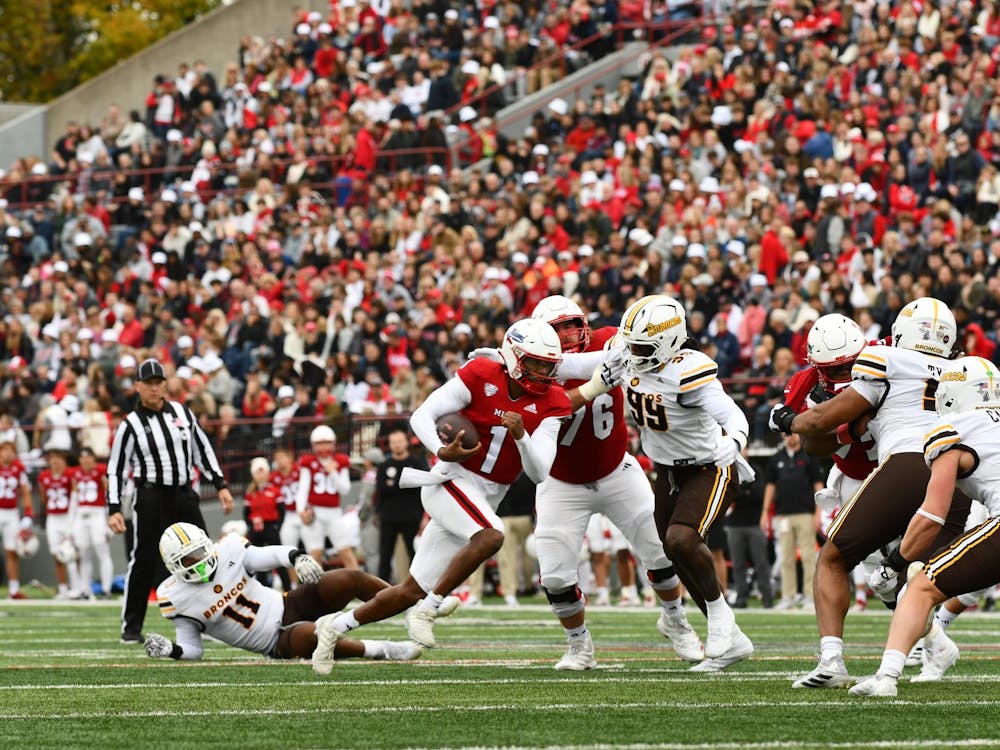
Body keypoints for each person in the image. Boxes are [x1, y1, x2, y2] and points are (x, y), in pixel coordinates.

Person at [309, 318, 610, 673]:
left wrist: (521, 437)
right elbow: (422, 415)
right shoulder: (482, 373)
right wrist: (440, 448)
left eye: (549, 364)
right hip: (450, 479)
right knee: (491, 535)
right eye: (535, 363)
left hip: (487, 494)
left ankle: (334, 628)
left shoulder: (554, 400)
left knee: (408, 590)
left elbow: (539, 470)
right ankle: (431, 607)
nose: (544, 371)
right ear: (514, 357)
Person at [769, 298, 973, 688]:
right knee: (909, 576)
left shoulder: (885, 359)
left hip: (906, 465)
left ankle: (836, 662)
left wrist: (790, 420)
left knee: (833, 558)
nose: (842, 373)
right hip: (957, 477)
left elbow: (819, 421)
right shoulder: (958, 369)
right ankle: (929, 645)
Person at [528, 295, 703, 670]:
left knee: (660, 550)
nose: (566, 335)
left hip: (616, 469)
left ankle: (675, 619)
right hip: (561, 481)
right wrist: (594, 384)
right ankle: (579, 645)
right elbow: (553, 406)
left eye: (570, 325)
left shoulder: (610, 339)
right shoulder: (534, 368)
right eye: (555, 330)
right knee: (556, 575)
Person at [617, 294, 756, 670]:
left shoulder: (687, 370)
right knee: (673, 550)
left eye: (641, 345)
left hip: (710, 467)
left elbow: (734, 415)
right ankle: (734, 641)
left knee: (682, 538)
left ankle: (720, 618)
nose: (632, 352)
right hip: (668, 471)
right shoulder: (628, 357)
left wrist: (736, 441)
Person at [850, 357, 1000, 696]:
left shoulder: (955, 430)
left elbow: (933, 513)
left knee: (918, 588)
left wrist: (896, 563)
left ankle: (886, 678)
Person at [143, 522, 421, 664]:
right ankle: (382, 650)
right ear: (173, 566)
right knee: (313, 635)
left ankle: (411, 605)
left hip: (289, 604)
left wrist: (296, 557)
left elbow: (267, 555)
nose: (198, 561)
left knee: (347, 578)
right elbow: (194, 650)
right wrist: (173, 650)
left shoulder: (228, 550)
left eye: (199, 552)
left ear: (208, 543)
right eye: (188, 559)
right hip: (278, 642)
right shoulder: (175, 597)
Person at [106, 358, 235, 643]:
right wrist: (114, 508)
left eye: (158, 382)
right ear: (137, 386)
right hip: (151, 495)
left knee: (204, 554)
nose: (154, 388)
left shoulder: (182, 412)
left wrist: (221, 484)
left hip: (183, 494)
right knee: (144, 558)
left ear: (165, 385)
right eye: (148, 383)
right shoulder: (130, 424)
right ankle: (131, 627)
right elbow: (115, 467)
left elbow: (202, 450)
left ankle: (212, 621)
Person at [761, 432, 824, 610]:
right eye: (786, 434)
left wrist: (819, 513)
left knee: (808, 556)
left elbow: (818, 486)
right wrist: (765, 512)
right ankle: (788, 596)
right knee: (786, 557)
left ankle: (810, 597)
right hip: (783, 515)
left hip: (805, 513)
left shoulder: (808, 457)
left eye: (793, 433)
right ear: (782, 436)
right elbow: (770, 486)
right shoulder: (776, 459)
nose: (790, 437)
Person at [295, 425, 358, 569]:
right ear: (313, 445)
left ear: (333, 443)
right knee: (315, 555)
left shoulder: (340, 461)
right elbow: (303, 489)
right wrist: (300, 511)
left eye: (326, 443)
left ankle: (361, 588)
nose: (323, 447)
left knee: (346, 552)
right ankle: (316, 591)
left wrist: (333, 473)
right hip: (315, 512)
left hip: (334, 512)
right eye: (319, 443)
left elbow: (345, 489)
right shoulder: (308, 462)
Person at [373, 429, 427, 584]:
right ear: (389, 445)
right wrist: (378, 512)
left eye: (400, 441)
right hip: (388, 517)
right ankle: (379, 590)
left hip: (412, 516)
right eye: (393, 442)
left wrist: (424, 516)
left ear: (406, 442)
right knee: (385, 555)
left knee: (415, 554)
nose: (397, 445)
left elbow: (420, 489)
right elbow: (381, 490)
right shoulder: (384, 466)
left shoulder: (416, 463)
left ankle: (418, 590)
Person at [725, 450, 774, 609]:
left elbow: (758, 494)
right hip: (734, 524)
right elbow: (727, 494)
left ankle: (767, 597)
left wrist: (739, 493)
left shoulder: (756, 469)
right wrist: (744, 492)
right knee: (738, 564)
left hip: (754, 523)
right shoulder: (728, 469)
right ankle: (741, 597)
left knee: (761, 562)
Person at [38, 448, 83, 599]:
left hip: (68, 517)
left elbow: (76, 494)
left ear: (64, 460)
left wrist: (73, 518)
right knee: (57, 553)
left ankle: (77, 587)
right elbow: (44, 498)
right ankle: (63, 589)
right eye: (52, 458)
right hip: (53, 518)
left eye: (58, 458)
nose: (55, 461)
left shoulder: (71, 474)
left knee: (71, 553)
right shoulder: (44, 476)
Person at [73, 447, 113, 598]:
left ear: (94, 459)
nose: (85, 461)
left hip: (98, 515)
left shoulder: (101, 471)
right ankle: (85, 589)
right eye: (82, 458)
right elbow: (74, 497)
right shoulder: (76, 473)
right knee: (83, 553)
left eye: (88, 457)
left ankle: (106, 588)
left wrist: (108, 519)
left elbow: (108, 494)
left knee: (102, 550)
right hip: (81, 515)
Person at [244, 456, 289, 591]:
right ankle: (262, 589)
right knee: (258, 560)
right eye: (258, 472)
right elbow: (246, 513)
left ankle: (288, 588)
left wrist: (276, 526)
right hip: (256, 530)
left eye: (263, 471)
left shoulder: (274, 491)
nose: (261, 475)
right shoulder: (250, 493)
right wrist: (251, 526)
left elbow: (281, 511)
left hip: (271, 527)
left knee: (278, 558)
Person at [0, 439, 32, 599]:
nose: (7, 453)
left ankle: (13, 589)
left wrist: (28, 512)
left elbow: (25, 491)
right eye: (4, 450)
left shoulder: (19, 468)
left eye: (10, 450)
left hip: (11, 512)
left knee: (12, 550)